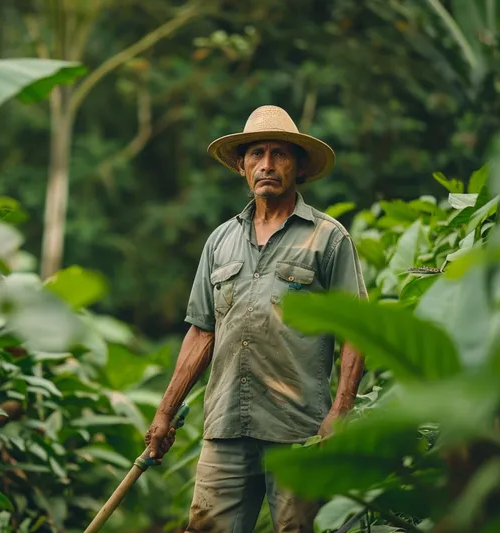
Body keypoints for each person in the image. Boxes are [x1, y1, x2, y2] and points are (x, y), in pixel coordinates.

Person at [144, 105, 368, 533]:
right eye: (257, 154)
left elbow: (355, 331)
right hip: (226, 426)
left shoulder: (328, 238)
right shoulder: (221, 241)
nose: (267, 164)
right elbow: (201, 331)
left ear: (298, 166)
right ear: (242, 166)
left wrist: (341, 411)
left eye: (280, 154)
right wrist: (165, 412)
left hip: (299, 429)